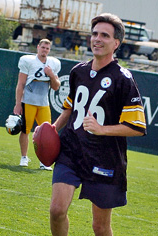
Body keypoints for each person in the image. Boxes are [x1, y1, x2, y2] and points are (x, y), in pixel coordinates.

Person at [48, 13, 147, 235]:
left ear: (116, 43)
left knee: (100, 226)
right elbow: (70, 107)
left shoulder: (123, 79)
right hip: (71, 150)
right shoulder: (78, 71)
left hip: (105, 158)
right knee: (56, 210)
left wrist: (102, 129)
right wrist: (52, 129)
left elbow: (137, 127)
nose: (97, 39)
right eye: (94, 34)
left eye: (104, 35)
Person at [14, 39, 61, 170]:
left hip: (43, 102)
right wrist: (18, 104)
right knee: (25, 130)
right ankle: (24, 157)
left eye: (47, 48)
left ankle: (44, 161)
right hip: (28, 101)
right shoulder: (28, 61)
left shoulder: (53, 63)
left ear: (49, 50)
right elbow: (21, 84)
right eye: (43, 47)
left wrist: (51, 75)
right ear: (38, 47)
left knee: (48, 133)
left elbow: (56, 86)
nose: (45, 50)